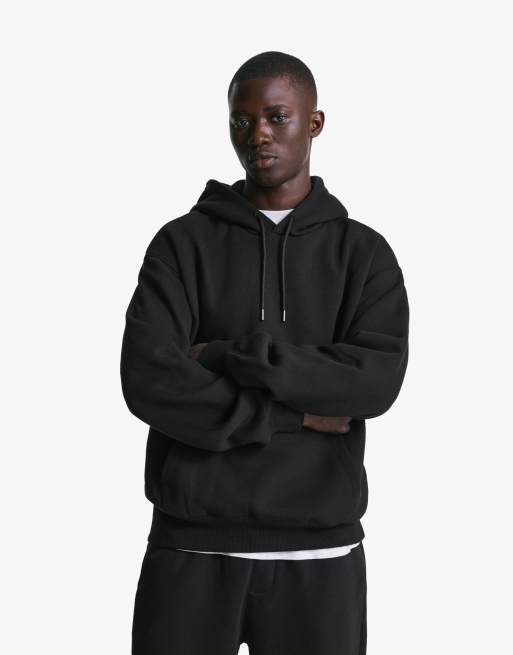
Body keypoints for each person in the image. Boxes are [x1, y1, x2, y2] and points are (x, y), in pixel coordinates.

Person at [120, 50, 409, 655]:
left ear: (314, 123)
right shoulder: (181, 244)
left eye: (277, 117)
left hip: (320, 553)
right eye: (242, 121)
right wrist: (295, 414)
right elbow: (149, 380)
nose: (258, 135)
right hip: (192, 546)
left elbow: (373, 383)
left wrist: (223, 357)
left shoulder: (364, 255)